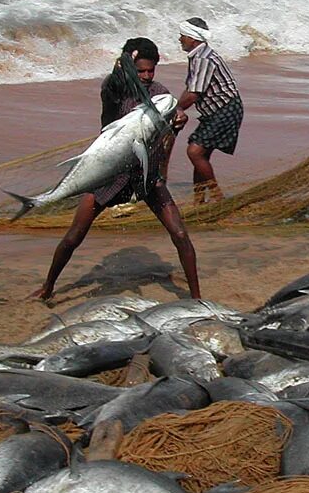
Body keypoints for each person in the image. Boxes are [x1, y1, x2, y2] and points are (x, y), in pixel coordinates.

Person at [32, 37, 199, 301]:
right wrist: (122, 66)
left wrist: (178, 122)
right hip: (111, 175)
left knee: (179, 233)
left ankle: (196, 297)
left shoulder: (160, 93)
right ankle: (48, 287)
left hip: (146, 175)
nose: (146, 76)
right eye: (140, 70)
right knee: (74, 236)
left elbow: (168, 131)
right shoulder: (115, 90)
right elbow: (110, 92)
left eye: (150, 70)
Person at [177, 18, 243, 203]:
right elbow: (190, 88)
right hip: (218, 110)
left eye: (183, 35)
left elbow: (193, 94)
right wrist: (176, 107)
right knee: (201, 154)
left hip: (225, 109)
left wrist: (178, 109)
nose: (180, 39)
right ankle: (199, 201)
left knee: (195, 152)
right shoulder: (199, 56)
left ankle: (217, 197)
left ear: (193, 38)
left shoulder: (203, 59)